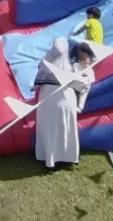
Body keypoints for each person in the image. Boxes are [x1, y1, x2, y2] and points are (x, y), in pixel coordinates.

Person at [34, 39, 95, 169]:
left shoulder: (44, 65)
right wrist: (86, 81)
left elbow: (37, 83)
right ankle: (69, 157)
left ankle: (49, 161)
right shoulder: (70, 66)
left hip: (47, 103)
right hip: (66, 102)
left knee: (49, 131)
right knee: (66, 130)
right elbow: (80, 86)